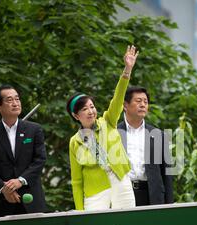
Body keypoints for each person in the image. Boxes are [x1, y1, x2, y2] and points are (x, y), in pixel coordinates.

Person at [67, 45, 138, 211]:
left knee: (128, 223)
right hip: (95, 192)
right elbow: (76, 181)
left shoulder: (108, 121)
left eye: (92, 106)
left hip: (121, 181)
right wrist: (79, 210)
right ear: (76, 116)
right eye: (84, 109)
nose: (91, 111)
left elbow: (118, 98)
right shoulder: (74, 142)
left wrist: (127, 70)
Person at [0, 85, 47, 217]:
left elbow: (40, 160)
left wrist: (20, 180)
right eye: (9, 100)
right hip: (2, 201)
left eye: (17, 99)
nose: (15, 103)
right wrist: (4, 188)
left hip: (31, 200)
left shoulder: (34, 129)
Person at [118, 87, 174, 206]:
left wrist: (169, 204)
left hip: (151, 195)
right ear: (125, 105)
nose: (143, 105)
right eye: (138, 101)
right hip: (122, 194)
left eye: (145, 102)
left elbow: (167, 174)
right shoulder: (113, 133)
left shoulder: (159, 135)